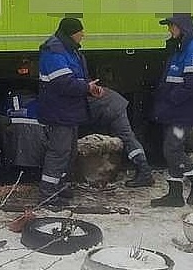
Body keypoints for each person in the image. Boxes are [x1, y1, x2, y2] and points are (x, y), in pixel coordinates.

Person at [37, 17, 103, 205]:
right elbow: (64, 84)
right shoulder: (54, 51)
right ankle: (48, 194)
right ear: (72, 33)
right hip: (59, 112)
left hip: (67, 111)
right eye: (80, 31)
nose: (83, 35)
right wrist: (87, 88)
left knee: (68, 152)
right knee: (59, 152)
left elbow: (76, 80)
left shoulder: (68, 50)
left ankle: (59, 186)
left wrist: (91, 89)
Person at [149, 13, 193, 207]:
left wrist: (170, 99)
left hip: (182, 114)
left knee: (172, 149)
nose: (169, 30)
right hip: (175, 111)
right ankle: (175, 194)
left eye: (172, 26)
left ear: (182, 28)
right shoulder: (181, 49)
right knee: (172, 149)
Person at [86, 86, 154, 187]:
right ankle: (144, 170)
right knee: (126, 138)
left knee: (127, 138)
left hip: (110, 106)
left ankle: (144, 170)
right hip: (108, 104)